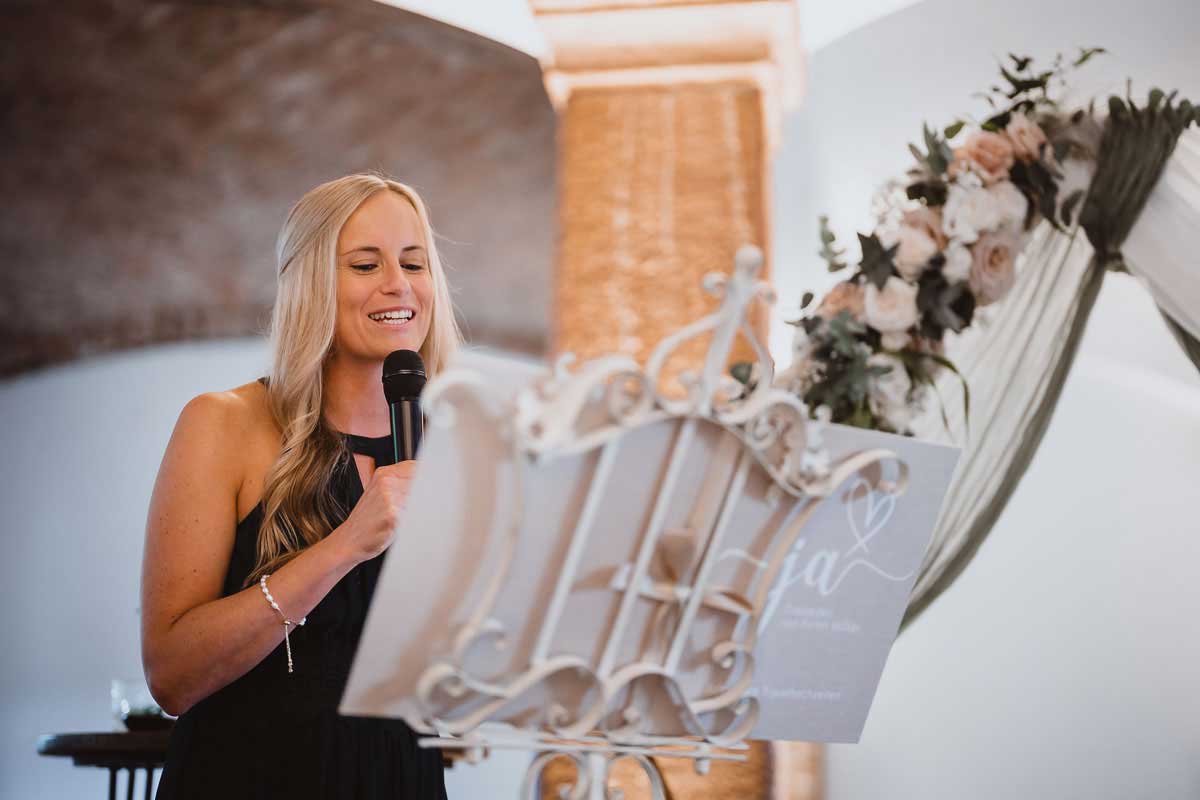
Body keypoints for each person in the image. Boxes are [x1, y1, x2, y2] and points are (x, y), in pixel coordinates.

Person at [140, 173, 460, 798]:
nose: (398, 284)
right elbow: (172, 677)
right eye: (365, 264)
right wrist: (348, 543)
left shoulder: (451, 443)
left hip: (400, 779)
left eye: (414, 262)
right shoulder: (223, 423)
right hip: (250, 777)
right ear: (311, 283)